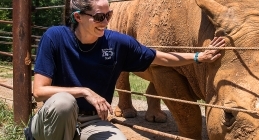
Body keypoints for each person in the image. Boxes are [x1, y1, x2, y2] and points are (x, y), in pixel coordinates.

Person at [27, 0, 226, 139]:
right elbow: (39, 91)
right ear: (78, 17)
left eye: (109, 15)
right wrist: (83, 91)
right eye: (99, 17)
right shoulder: (55, 37)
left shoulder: (116, 42)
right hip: (54, 123)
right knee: (64, 102)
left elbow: (159, 57)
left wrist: (199, 57)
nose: (106, 22)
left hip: (91, 122)